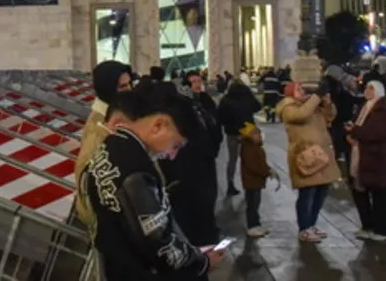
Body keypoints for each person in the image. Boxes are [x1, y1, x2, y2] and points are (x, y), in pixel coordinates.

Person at [80, 82, 226, 278]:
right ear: (159, 125)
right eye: (176, 145)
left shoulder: (111, 144)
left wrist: (191, 252)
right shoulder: (135, 170)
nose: (172, 155)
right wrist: (202, 262)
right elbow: (158, 245)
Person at [279, 81, 340, 242]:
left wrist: (327, 102)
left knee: (321, 191)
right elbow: (301, 115)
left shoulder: (311, 105)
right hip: (306, 156)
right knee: (308, 193)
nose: (302, 91)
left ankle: (311, 224)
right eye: (298, 89)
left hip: (322, 155)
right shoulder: (288, 107)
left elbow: (330, 116)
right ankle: (304, 228)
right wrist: (316, 97)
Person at [166, 71, 222, 244]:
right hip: (195, 165)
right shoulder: (184, 109)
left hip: (207, 159)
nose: (197, 84)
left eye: (199, 81)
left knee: (208, 197)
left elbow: (215, 125)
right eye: (194, 82)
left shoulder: (204, 102)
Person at [73, 61, 133, 225]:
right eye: (122, 87)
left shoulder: (115, 113)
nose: (129, 90)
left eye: (129, 84)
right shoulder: (99, 127)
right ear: (108, 89)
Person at [347, 80, 386, 242]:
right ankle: (369, 226)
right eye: (367, 87)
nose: (367, 90)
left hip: (378, 159)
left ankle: (384, 230)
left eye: (371, 88)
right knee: (362, 191)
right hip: (366, 157)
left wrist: (354, 131)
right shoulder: (367, 107)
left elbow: (374, 133)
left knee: (379, 195)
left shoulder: (381, 110)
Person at [236, 122, 278, 237]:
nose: (259, 135)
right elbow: (254, 165)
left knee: (255, 203)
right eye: (255, 133)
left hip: (255, 181)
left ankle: (256, 224)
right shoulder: (250, 148)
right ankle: (252, 226)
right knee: (253, 204)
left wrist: (267, 169)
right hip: (252, 181)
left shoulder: (253, 146)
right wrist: (266, 171)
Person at [217, 82, 258, 198]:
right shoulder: (247, 97)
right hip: (248, 131)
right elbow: (257, 106)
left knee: (232, 159)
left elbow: (220, 117)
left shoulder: (226, 100)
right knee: (248, 159)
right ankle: (249, 185)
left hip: (232, 133)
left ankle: (230, 184)